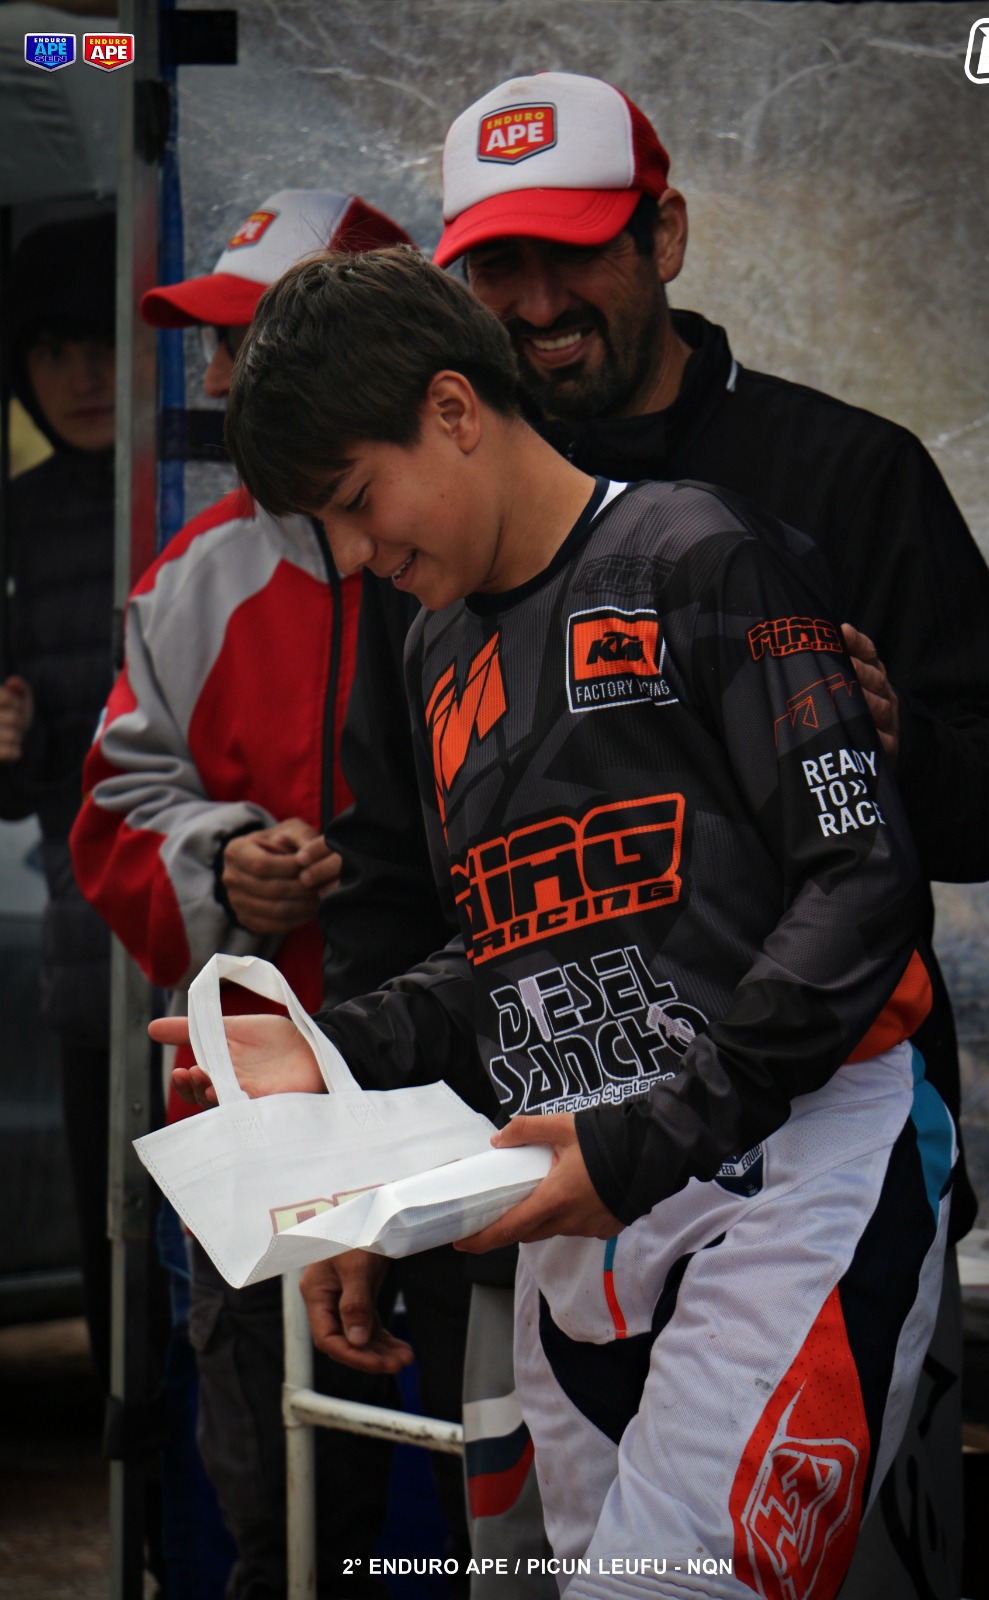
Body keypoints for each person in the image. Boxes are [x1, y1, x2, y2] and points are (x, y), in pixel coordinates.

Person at [306, 71, 989, 1600]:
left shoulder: (839, 473)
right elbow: (399, 892)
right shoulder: (432, 565)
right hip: (540, 1195)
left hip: (813, 1175)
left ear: (665, 238)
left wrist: (876, 737)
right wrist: (366, 1173)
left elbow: (987, 806)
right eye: (499, 266)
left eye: (575, 249)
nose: (537, 301)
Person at [155, 244, 959, 1600]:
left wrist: (647, 1136)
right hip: (578, 1226)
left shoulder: (706, 556)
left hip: (791, 1188)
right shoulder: (433, 646)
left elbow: (861, 880)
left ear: (453, 409)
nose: (356, 555)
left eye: (355, 500)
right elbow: (516, 950)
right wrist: (334, 1055)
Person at [69, 190, 473, 1600]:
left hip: (470, 1099)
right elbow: (114, 809)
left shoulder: (476, 554)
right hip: (257, 1106)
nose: (230, 376)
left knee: (496, 1472)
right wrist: (225, 857)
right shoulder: (194, 577)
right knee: (284, 1509)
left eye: (254, 337)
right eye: (222, 344)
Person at [0, 212, 122, 1391]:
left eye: (104, 342)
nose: (83, 374)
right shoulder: (16, 526)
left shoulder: (215, 492)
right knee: (118, 1279)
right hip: (88, 956)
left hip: (246, 946)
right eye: (51, 349)